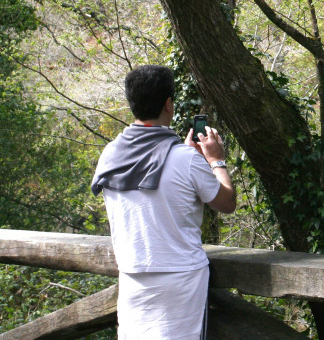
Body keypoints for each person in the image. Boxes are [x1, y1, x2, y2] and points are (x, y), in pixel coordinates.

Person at [91, 65, 236, 339]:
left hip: (132, 275)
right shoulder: (186, 159)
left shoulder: (110, 154)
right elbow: (226, 202)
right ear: (168, 104)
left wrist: (183, 154)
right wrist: (216, 160)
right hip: (181, 280)